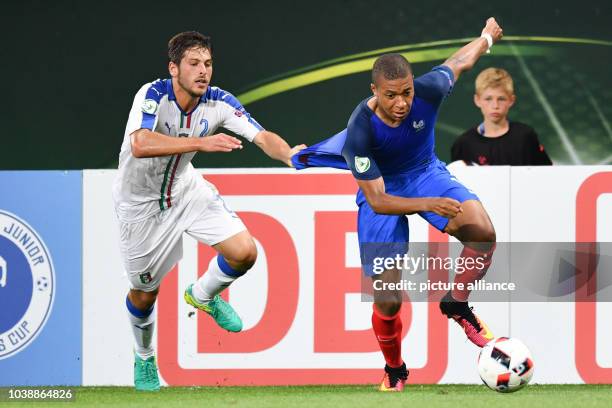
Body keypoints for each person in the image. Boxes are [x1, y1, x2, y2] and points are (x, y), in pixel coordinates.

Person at [292, 18, 503, 391]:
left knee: (483, 233)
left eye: (406, 92)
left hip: (425, 172)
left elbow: (458, 62)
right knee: (387, 298)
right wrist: (428, 205)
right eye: (391, 95)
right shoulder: (360, 129)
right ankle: (394, 367)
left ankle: (457, 303)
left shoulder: (428, 90)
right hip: (383, 190)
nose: (401, 102)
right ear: (374, 90)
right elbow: (378, 199)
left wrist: (486, 38)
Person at [112, 31, 305, 391]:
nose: (204, 72)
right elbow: (140, 143)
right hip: (139, 207)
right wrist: (202, 142)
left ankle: (202, 295)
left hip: (186, 190)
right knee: (144, 294)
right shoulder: (152, 94)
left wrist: (289, 155)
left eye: (208, 64)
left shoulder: (219, 102)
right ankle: (144, 356)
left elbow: (263, 137)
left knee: (245, 252)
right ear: (174, 68)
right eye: (194, 64)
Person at [451, 67, 552, 165]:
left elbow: (546, 175)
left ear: (511, 100)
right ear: (477, 100)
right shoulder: (464, 144)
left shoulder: (525, 137)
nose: (495, 105)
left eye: (501, 99)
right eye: (488, 99)